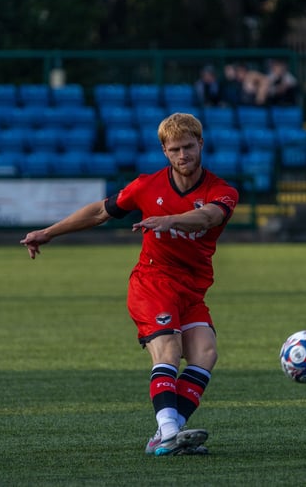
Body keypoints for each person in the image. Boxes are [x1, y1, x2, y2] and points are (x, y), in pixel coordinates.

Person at [20, 113, 239, 454]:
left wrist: (170, 220)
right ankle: (168, 432)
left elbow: (209, 216)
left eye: (189, 147)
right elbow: (99, 213)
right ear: (165, 152)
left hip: (192, 288)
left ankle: (166, 437)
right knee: (170, 349)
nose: (183, 156)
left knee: (206, 354)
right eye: (175, 150)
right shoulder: (146, 186)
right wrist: (48, 233)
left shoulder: (221, 190)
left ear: (201, 144)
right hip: (152, 282)